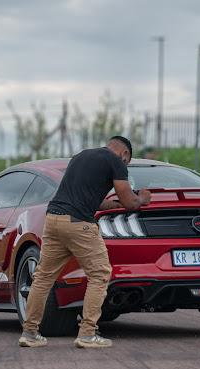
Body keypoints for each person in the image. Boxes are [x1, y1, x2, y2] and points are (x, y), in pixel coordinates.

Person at [19, 136, 152, 348]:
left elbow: (94, 200)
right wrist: (142, 198)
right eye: (126, 163)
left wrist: (114, 204)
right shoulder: (116, 161)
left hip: (53, 220)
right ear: (124, 154)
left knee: (43, 277)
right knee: (100, 274)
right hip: (78, 223)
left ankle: (29, 332)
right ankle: (88, 333)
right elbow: (129, 202)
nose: (124, 167)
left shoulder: (80, 157)